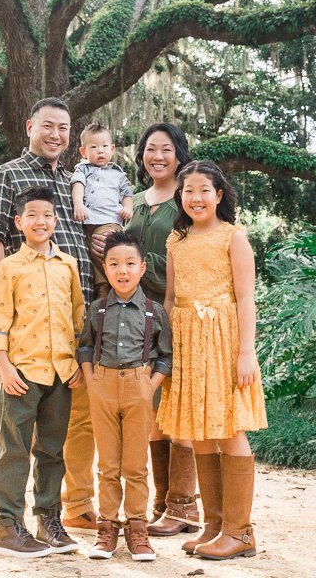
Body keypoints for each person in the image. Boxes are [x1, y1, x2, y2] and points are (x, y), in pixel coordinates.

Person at [0, 97, 100, 532]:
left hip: (70, 332)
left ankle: (59, 513)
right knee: (17, 439)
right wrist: (9, 316)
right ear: (30, 126)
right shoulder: (6, 175)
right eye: (47, 125)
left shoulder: (73, 182)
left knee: (62, 435)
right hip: (28, 334)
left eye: (64, 128)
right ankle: (6, 523)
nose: (55, 135)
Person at [155, 161, 268, 561]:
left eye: (204, 190)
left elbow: (246, 299)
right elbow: (170, 298)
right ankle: (215, 526)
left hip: (222, 338)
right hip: (185, 339)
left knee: (229, 427)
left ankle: (241, 532)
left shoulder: (232, 237)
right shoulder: (175, 240)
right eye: (188, 191)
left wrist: (246, 352)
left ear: (219, 195)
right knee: (198, 429)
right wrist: (165, 347)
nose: (196, 198)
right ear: (179, 196)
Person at [0, 185, 86, 558]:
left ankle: (49, 520)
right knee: (14, 449)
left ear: (56, 220)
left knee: (52, 451)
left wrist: (77, 362)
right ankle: (6, 526)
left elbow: (78, 317)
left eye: (46, 215)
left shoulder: (68, 265)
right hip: (22, 373)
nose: (40, 221)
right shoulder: (9, 267)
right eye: (32, 215)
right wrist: (4, 366)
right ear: (19, 221)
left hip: (61, 373)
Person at [77, 230, 172, 561]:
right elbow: (86, 346)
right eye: (114, 263)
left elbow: (165, 355)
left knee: (135, 465)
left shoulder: (153, 311)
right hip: (102, 385)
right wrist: (91, 380)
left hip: (138, 386)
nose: (122, 270)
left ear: (142, 268)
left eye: (130, 263)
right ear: (105, 268)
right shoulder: (97, 309)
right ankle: (106, 530)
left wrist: (150, 384)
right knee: (108, 464)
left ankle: (137, 530)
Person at [124, 122, 200, 536]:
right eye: (150, 149)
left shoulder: (188, 199)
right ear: (141, 155)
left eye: (166, 149)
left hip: (176, 312)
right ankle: (163, 503)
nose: (157, 156)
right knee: (153, 410)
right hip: (136, 317)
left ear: (179, 154)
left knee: (179, 406)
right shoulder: (132, 201)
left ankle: (185, 506)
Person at [71, 122, 135, 300]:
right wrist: (78, 204)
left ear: (112, 149)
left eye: (105, 146)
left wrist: (127, 207)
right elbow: (78, 185)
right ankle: (102, 289)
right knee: (92, 257)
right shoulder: (82, 169)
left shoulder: (118, 173)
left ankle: (118, 288)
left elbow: (127, 193)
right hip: (87, 221)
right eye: (94, 147)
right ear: (83, 152)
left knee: (106, 253)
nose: (100, 151)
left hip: (109, 222)